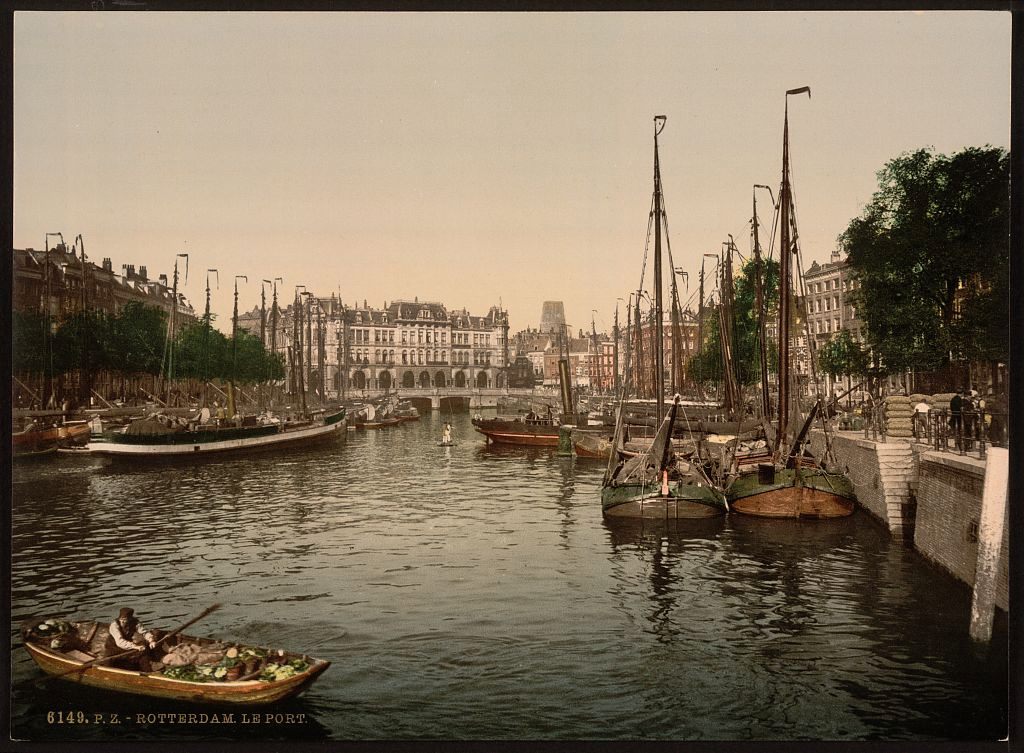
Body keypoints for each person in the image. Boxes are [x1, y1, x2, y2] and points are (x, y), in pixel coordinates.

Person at [106, 607, 159, 671]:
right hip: (114, 648)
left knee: (143, 653)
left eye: (125, 619)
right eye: (121, 619)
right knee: (110, 662)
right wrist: (135, 646)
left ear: (130, 619)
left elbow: (144, 632)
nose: (122, 621)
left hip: (127, 646)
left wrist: (151, 641)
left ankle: (147, 671)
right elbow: (120, 641)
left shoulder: (135, 622)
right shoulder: (114, 625)